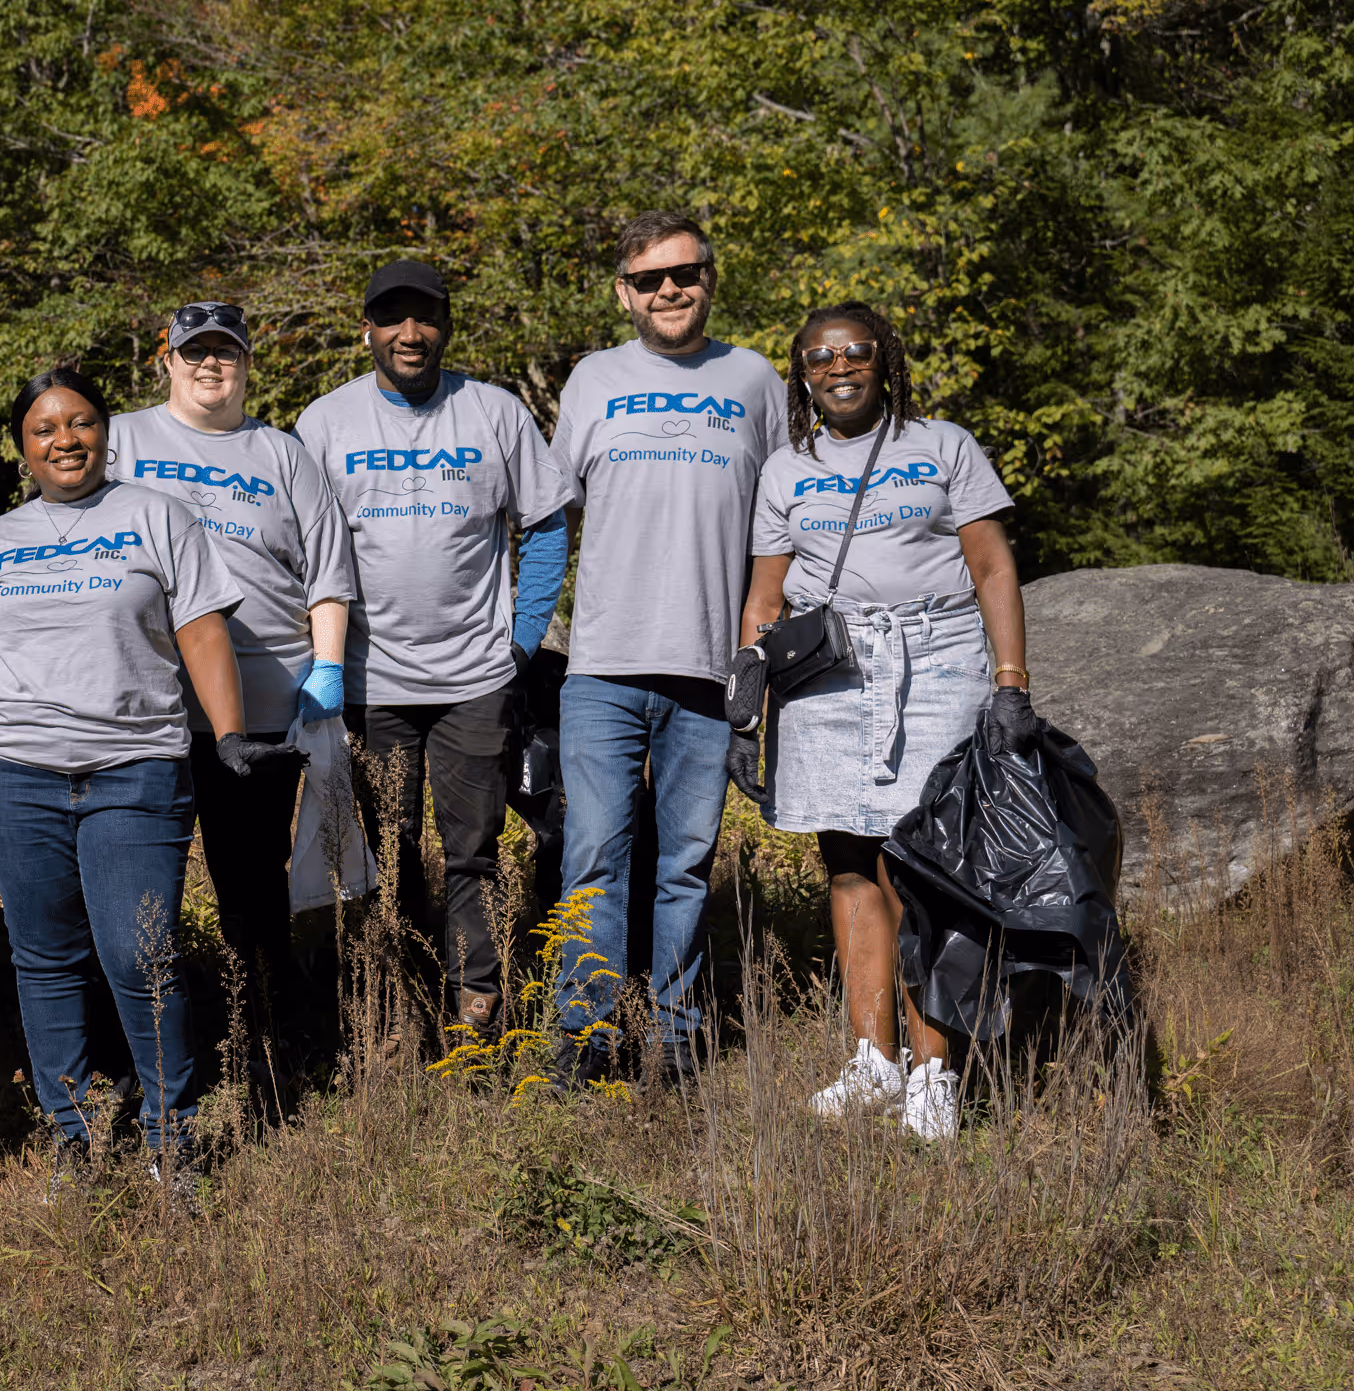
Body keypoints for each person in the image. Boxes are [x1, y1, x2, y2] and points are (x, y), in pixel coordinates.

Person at [0, 363, 278, 1196]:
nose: (65, 439)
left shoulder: (155, 517)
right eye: (44, 428)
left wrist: (228, 732)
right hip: (17, 776)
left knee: (143, 955)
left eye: (81, 422)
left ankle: (173, 1141)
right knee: (46, 958)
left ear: (106, 433)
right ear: (22, 447)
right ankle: (72, 1137)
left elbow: (201, 632)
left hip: (135, 770)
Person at [737, 305, 1029, 1140]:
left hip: (935, 657)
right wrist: (744, 704)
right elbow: (766, 595)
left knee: (925, 869)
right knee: (849, 864)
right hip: (825, 670)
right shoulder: (787, 469)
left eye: (855, 350)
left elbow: (991, 564)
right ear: (801, 373)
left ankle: (937, 1072)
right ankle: (874, 1062)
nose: (839, 366)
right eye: (819, 356)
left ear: (884, 357)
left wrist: (1010, 682)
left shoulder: (943, 446)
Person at [296, 259, 573, 1032]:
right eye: (393, 319)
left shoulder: (493, 412)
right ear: (369, 330)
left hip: (476, 680)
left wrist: (519, 644)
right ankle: (400, 1009)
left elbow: (546, 525)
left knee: (473, 852)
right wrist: (317, 660)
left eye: (425, 319)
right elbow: (300, 547)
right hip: (367, 683)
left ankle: (475, 1011)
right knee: (387, 853)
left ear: (446, 326)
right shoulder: (325, 424)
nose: (409, 334)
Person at [546, 211, 786, 1077]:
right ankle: (586, 1039)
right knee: (594, 862)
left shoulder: (756, 379)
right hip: (603, 666)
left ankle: (679, 1040)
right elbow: (547, 510)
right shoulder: (591, 379)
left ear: (710, 278)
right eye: (648, 280)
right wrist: (524, 631)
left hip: (711, 673)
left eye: (683, 273)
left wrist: (767, 653)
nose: (669, 290)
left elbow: (786, 523)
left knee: (685, 866)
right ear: (624, 294)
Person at [105, 302, 355, 1068]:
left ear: (248, 364)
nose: (211, 365)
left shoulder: (282, 454)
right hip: (143, 709)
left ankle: (265, 1033)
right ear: (166, 362)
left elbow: (329, 577)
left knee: (251, 881)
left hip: (266, 706)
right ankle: (151, 1043)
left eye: (226, 353)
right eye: (195, 352)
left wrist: (328, 671)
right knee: (141, 888)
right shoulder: (120, 441)